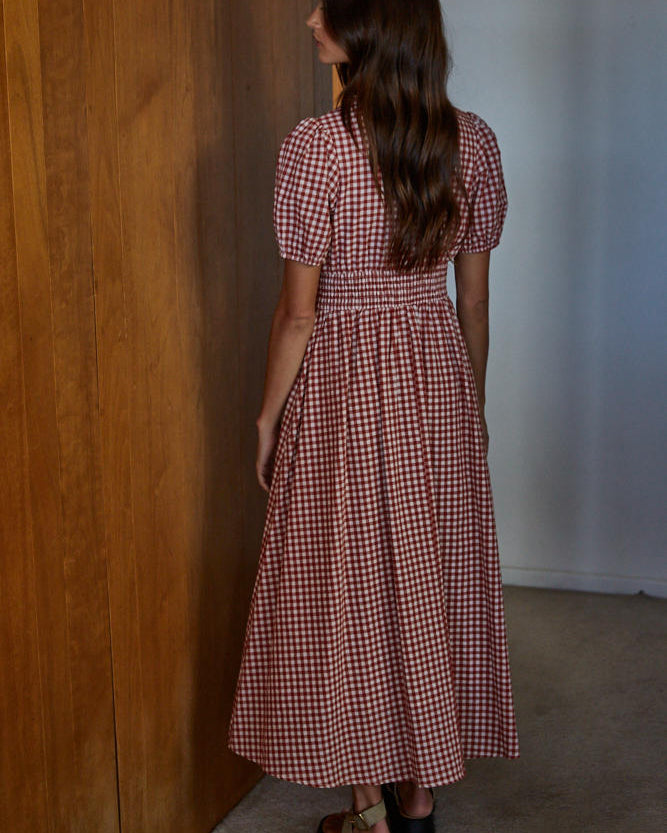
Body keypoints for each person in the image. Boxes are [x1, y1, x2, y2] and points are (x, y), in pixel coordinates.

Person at [227, 1, 520, 830]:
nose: (309, 18)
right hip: (435, 374)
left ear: (372, 28)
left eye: (328, 8)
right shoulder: (473, 141)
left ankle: (368, 804)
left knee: (343, 575)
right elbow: (474, 300)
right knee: (427, 572)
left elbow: (298, 313)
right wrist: (471, 404)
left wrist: (266, 417)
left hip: (343, 381)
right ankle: (417, 794)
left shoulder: (316, 146)